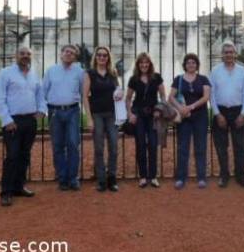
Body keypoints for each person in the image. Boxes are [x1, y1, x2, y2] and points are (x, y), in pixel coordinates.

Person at [0, 47, 46, 207]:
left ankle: (19, 186)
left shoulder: (33, 74)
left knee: (24, 155)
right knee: (12, 156)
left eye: (28, 54)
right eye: (22, 54)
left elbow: (40, 94)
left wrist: (42, 110)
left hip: (30, 120)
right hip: (13, 121)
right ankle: (6, 192)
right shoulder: (6, 73)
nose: (25, 56)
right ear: (15, 56)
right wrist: (6, 119)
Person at [209, 41, 244, 188]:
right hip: (220, 111)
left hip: (237, 111)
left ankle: (241, 175)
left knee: (240, 146)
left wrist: (243, 113)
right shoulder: (215, 71)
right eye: (226, 52)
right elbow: (211, 95)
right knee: (221, 146)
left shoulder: (242, 70)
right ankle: (224, 175)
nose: (228, 54)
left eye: (231, 52)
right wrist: (217, 114)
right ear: (222, 54)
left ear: (235, 54)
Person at [43, 45, 84, 191]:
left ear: (75, 57)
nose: (69, 55)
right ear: (61, 54)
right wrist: (42, 110)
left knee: (73, 144)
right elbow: (43, 91)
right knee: (57, 145)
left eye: (72, 53)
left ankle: (72, 178)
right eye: (67, 52)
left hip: (73, 110)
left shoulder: (79, 72)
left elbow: (83, 93)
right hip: (54, 111)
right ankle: (62, 177)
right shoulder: (51, 70)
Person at [82, 46, 123, 192]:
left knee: (114, 146)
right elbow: (85, 96)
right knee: (99, 148)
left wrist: (120, 94)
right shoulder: (89, 74)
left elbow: (118, 91)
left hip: (112, 114)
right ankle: (101, 179)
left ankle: (112, 177)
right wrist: (89, 118)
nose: (102, 57)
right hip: (97, 114)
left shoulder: (113, 73)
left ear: (108, 58)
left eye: (105, 55)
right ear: (95, 57)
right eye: (99, 55)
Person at [169, 53, 211, 189]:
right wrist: (181, 108)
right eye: (188, 63)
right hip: (184, 118)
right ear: (185, 65)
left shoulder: (203, 79)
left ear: (197, 65)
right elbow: (171, 97)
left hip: (200, 116)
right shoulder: (178, 79)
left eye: (193, 62)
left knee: (200, 146)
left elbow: (206, 97)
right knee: (182, 147)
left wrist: (190, 107)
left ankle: (201, 177)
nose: (191, 65)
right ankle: (181, 178)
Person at [126, 52, 166, 188]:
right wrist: (130, 113)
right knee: (141, 144)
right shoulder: (133, 79)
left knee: (153, 144)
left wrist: (159, 109)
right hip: (139, 115)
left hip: (153, 115)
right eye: (141, 63)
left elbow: (163, 96)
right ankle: (143, 176)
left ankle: (153, 176)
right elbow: (128, 98)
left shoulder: (156, 78)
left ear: (150, 64)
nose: (144, 65)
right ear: (138, 64)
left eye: (146, 62)